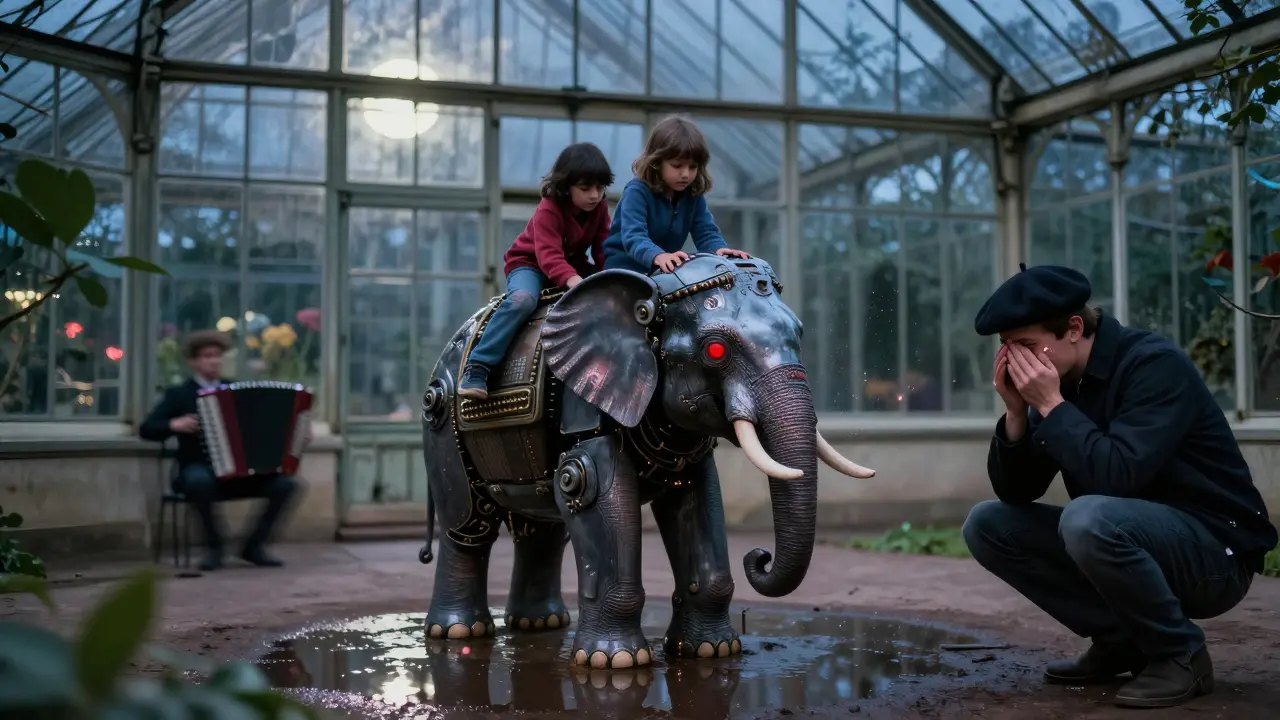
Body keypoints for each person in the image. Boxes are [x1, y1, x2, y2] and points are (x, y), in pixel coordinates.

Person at [961, 263, 1276, 709]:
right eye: (1008, 349)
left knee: (1088, 517)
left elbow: (1118, 475)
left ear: (1073, 328)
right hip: (1129, 536)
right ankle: (1120, 639)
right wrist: (1016, 414)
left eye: (1027, 347)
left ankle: (1180, 655)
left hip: (1216, 555)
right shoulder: (1060, 381)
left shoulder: (1153, 365)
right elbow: (1017, 492)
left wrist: (1050, 405)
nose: (1019, 363)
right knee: (988, 523)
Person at [459, 142, 616, 400]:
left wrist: (611, 278)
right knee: (522, 300)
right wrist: (575, 281)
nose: (594, 195)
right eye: (585, 188)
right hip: (530, 264)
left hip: (572, 265)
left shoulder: (598, 210)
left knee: (611, 298)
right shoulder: (549, 209)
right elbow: (548, 256)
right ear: (566, 187)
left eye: (600, 188)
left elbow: (603, 250)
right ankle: (478, 367)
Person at [140, 330, 300, 571]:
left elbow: (265, 427)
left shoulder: (237, 390)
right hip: (198, 470)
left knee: (287, 485)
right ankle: (215, 547)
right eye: (207, 356)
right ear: (192, 362)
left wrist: (296, 433)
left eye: (217, 355)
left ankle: (253, 546)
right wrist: (175, 424)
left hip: (238, 474)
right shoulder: (179, 394)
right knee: (198, 481)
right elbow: (147, 429)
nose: (214, 361)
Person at [602, 114, 750, 274]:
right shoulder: (637, 191)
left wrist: (721, 252)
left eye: (693, 167)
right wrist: (657, 255)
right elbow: (633, 236)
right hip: (623, 273)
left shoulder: (692, 195)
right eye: (677, 166)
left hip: (663, 272)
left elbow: (706, 232)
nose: (685, 174)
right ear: (657, 162)